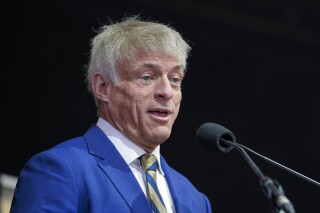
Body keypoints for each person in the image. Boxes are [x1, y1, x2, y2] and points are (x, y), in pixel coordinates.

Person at [10, 16, 212, 213]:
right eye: (147, 77)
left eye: (175, 79)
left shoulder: (195, 200)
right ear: (103, 87)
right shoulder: (61, 170)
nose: (167, 92)